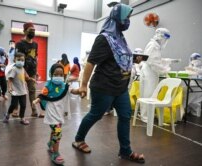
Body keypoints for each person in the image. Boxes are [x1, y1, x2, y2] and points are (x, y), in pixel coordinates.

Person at [72, 3, 145, 164]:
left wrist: (134, 58)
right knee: (95, 115)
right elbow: (91, 62)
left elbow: (117, 58)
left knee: (125, 116)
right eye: (126, 17)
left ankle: (125, 151)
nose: (128, 21)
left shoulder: (120, 38)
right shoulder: (104, 38)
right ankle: (78, 139)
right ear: (117, 17)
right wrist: (83, 85)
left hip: (120, 87)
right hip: (104, 87)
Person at [33, 63, 79, 165]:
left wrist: (79, 91)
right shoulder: (49, 85)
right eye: (56, 74)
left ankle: (50, 144)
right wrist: (37, 100)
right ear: (51, 74)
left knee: (55, 131)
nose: (58, 77)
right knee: (58, 133)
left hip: (59, 114)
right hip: (52, 113)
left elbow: (71, 90)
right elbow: (42, 94)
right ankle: (55, 153)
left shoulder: (63, 85)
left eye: (61, 75)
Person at [139, 28, 171, 122]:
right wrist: (164, 69)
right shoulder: (154, 45)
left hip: (149, 72)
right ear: (161, 37)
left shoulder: (154, 45)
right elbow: (152, 61)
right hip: (149, 74)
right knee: (148, 95)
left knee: (147, 95)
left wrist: (164, 61)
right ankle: (146, 117)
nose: (165, 41)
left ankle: (146, 116)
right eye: (165, 38)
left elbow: (153, 59)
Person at [3, 52, 36, 125]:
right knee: (14, 104)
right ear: (15, 60)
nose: (20, 61)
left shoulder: (23, 69)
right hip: (15, 91)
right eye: (19, 59)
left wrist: (31, 79)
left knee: (23, 105)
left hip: (23, 91)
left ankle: (22, 118)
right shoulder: (14, 69)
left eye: (22, 60)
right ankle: (7, 114)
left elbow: (27, 77)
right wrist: (10, 88)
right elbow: (10, 79)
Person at [16, 22, 39, 117]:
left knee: (32, 90)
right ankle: (15, 109)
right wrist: (24, 72)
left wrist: (36, 71)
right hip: (21, 71)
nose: (32, 32)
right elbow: (17, 59)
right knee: (18, 91)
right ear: (24, 31)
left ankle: (34, 110)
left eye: (34, 30)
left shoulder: (35, 44)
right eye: (30, 30)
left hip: (32, 72)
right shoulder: (20, 44)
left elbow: (35, 57)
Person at [185, 53, 202, 117]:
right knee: (187, 96)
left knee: (193, 98)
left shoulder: (199, 68)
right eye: (193, 59)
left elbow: (199, 72)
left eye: (196, 59)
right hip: (191, 85)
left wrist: (194, 69)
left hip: (198, 86)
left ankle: (194, 112)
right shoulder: (190, 66)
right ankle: (188, 110)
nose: (195, 61)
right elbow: (188, 73)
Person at [5, 39, 19, 117]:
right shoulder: (9, 51)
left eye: (13, 43)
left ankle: (16, 109)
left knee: (17, 90)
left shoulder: (16, 51)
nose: (11, 44)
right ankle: (14, 108)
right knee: (12, 91)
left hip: (15, 70)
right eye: (10, 43)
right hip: (9, 70)